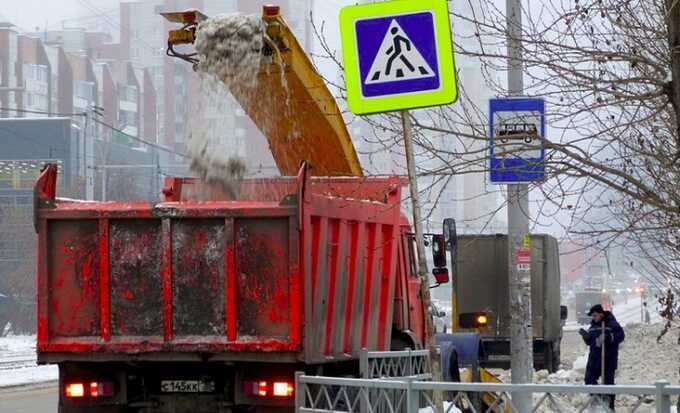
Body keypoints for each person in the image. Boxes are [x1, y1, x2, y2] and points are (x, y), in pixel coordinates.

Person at [579, 304, 625, 411]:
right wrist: (586, 338)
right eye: (592, 317)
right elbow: (591, 341)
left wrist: (608, 337)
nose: (593, 318)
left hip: (608, 359)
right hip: (594, 359)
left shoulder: (611, 323)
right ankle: (599, 399)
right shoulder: (593, 326)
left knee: (608, 384)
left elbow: (621, 335)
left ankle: (610, 407)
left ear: (601, 314)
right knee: (589, 380)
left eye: (595, 316)